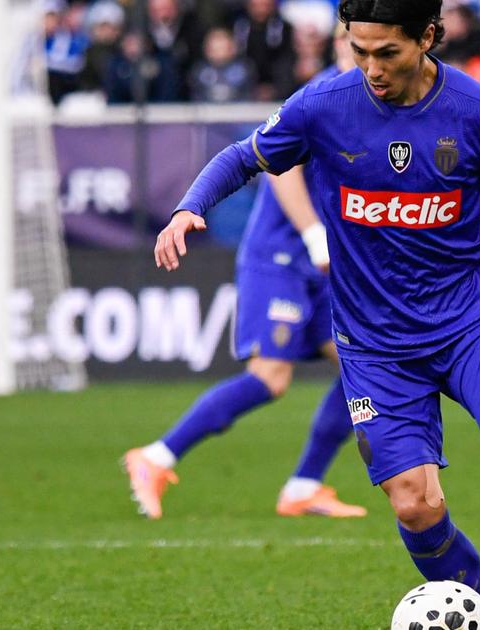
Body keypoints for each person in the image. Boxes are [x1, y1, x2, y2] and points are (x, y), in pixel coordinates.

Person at [152, 2, 480, 628]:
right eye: (360, 51)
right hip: (374, 344)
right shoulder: (323, 105)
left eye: (387, 52)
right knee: (414, 504)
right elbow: (243, 156)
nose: (372, 68)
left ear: (428, 37)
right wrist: (190, 206)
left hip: (468, 322)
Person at [124, 26, 365, 521]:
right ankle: (156, 457)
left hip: (325, 263)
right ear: (339, 44)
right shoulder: (320, 96)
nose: (359, 51)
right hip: (280, 258)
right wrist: (313, 233)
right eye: (350, 40)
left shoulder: (374, 102)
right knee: (270, 377)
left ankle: (303, 486)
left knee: (362, 367)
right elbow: (280, 168)